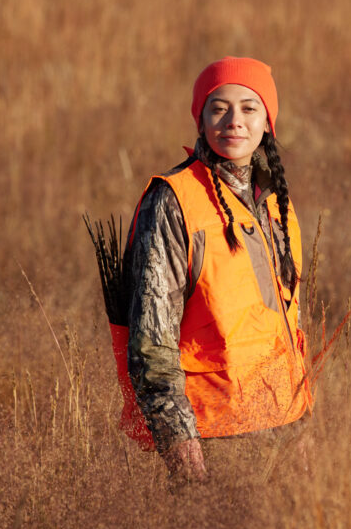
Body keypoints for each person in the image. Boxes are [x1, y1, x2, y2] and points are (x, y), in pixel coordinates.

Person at [122, 57, 312, 484]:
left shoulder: (276, 203)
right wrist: (181, 449)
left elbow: (288, 325)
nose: (234, 121)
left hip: (282, 434)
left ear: (268, 122)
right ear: (201, 119)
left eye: (249, 108)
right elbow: (152, 341)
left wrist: (302, 427)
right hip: (209, 440)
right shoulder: (172, 200)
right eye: (218, 107)